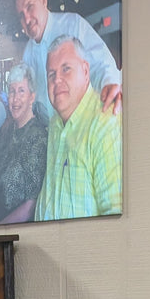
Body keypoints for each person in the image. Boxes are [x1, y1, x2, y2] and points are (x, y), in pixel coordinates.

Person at [35, 36, 121, 222]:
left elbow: (115, 215)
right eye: (51, 74)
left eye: (66, 69)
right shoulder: (55, 124)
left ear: (85, 71)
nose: (57, 79)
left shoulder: (105, 123)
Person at [15, 0, 121, 123]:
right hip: (51, 135)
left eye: (30, 7)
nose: (26, 19)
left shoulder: (73, 25)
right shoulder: (27, 53)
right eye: (21, 15)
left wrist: (109, 84)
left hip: (81, 129)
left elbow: (101, 64)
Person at [0, 63, 47, 225]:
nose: (15, 98)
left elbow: (31, 206)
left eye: (21, 91)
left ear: (32, 96)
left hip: (16, 227)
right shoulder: (7, 129)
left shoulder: (38, 137)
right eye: (12, 91)